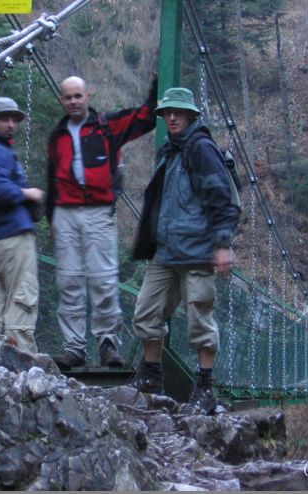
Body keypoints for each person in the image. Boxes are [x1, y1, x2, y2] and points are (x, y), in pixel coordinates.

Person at [130, 87, 240, 414]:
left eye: (178, 112)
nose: (172, 117)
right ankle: (151, 377)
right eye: (167, 113)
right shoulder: (171, 150)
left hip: (196, 252)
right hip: (166, 252)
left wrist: (222, 245)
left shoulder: (201, 148)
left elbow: (221, 198)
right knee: (146, 313)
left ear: (191, 114)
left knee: (200, 321)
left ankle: (205, 389)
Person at [46, 75, 158, 369]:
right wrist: (51, 218)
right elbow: (51, 177)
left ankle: (108, 343)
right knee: (68, 281)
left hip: (97, 212)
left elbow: (146, 118)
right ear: (62, 100)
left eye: (78, 96)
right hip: (66, 213)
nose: (73, 101)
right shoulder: (57, 136)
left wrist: (157, 82)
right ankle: (73, 348)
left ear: (88, 95)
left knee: (103, 279)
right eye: (68, 97)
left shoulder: (107, 126)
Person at [0, 96, 45, 354]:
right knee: (22, 302)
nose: (11, 124)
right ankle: (24, 369)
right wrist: (29, 194)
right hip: (12, 238)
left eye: (14, 119)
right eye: (5, 118)